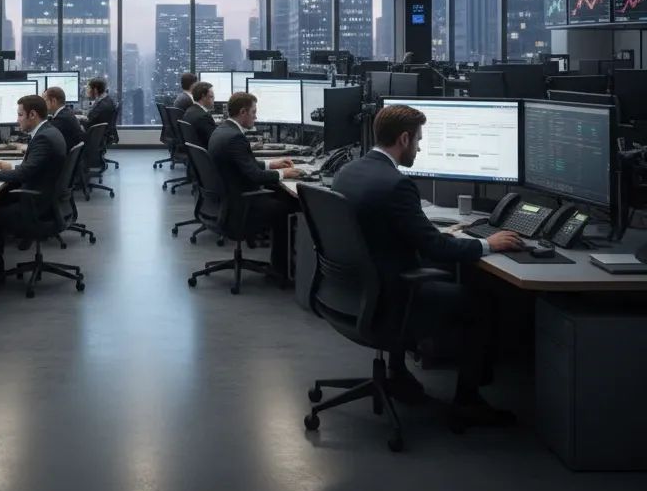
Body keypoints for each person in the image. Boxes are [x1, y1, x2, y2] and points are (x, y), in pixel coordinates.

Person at [331, 103, 524, 425]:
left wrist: (430, 231)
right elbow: (434, 247)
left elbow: (390, 230)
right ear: (404, 139)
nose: (419, 148)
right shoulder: (396, 183)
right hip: (389, 298)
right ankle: (468, 400)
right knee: (483, 304)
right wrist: (488, 243)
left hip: (350, 292)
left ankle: (399, 374)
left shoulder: (348, 171)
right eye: (419, 140)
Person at [207, 91, 304, 274]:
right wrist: (284, 173)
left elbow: (243, 164)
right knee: (288, 207)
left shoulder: (222, 130)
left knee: (279, 196)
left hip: (227, 201)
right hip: (241, 205)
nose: (256, 117)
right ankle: (282, 269)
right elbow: (255, 176)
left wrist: (271, 164)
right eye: (253, 112)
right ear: (243, 112)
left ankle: (283, 265)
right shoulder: (236, 138)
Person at [0, 95, 67, 279]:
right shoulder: (48, 132)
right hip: (48, 200)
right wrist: (10, 167)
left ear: (32, 114)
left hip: (37, 205)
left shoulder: (43, 138)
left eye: (20, 115)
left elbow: (25, 174)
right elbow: (35, 167)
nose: (17, 120)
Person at [44, 85, 84, 151]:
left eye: (45, 101)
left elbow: (45, 139)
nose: (43, 104)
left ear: (53, 101)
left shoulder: (61, 119)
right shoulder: (66, 112)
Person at [181, 80, 217, 149]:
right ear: (203, 96)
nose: (214, 99)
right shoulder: (203, 117)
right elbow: (214, 141)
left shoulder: (189, 110)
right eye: (211, 97)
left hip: (195, 153)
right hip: (207, 154)